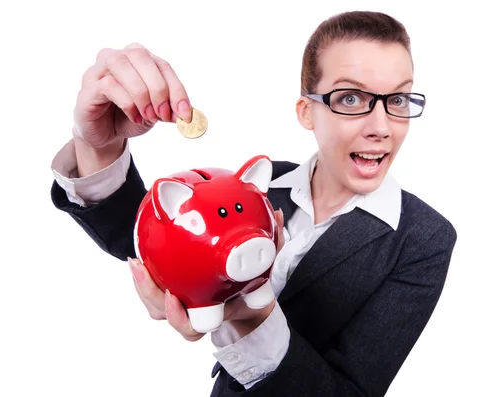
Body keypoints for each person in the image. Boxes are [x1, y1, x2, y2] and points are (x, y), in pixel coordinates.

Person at [50, 10, 457, 397]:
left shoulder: (422, 239)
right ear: (306, 112)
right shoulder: (263, 185)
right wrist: (96, 146)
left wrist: (250, 318)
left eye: (398, 100)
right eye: (350, 98)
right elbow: (150, 242)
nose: (382, 127)